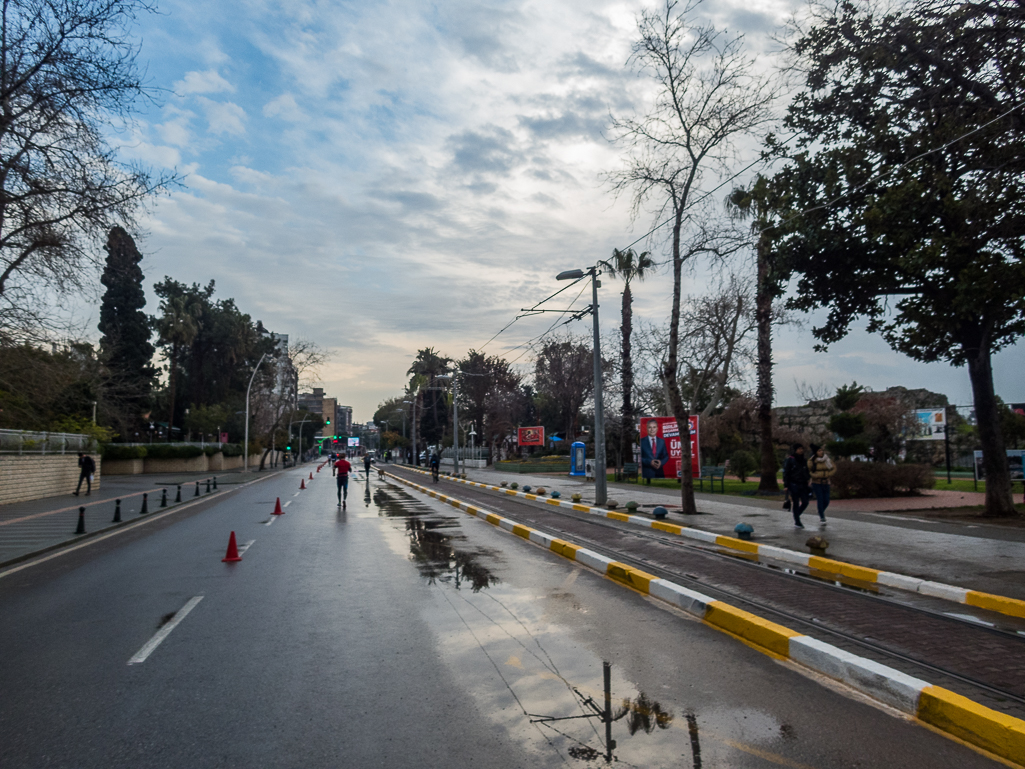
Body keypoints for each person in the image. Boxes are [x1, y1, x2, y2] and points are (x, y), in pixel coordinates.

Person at [782, 444, 811, 528]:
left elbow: (806, 471)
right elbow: (786, 473)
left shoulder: (804, 460)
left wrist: (807, 478)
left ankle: (797, 514)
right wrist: (786, 485)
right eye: (799, 449)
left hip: (803, 484)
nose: (801, 450)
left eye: (802, 449)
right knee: (796, 502)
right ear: (795, 450)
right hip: (793, 484)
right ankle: (797, 521)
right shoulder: (790, 460)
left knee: (805, 502)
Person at [808, 444, 836, 524]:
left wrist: (828, 474)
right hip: (816, 482)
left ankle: (821, 510)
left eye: (821, 450)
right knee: (820, 499)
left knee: (826, 500)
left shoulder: (827, 460)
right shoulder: (812, 461)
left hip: (826, 482)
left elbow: (833, 468)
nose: (821, 452)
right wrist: (816, 475)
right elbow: (809, 471)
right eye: (819, 451)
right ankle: (822, 516)